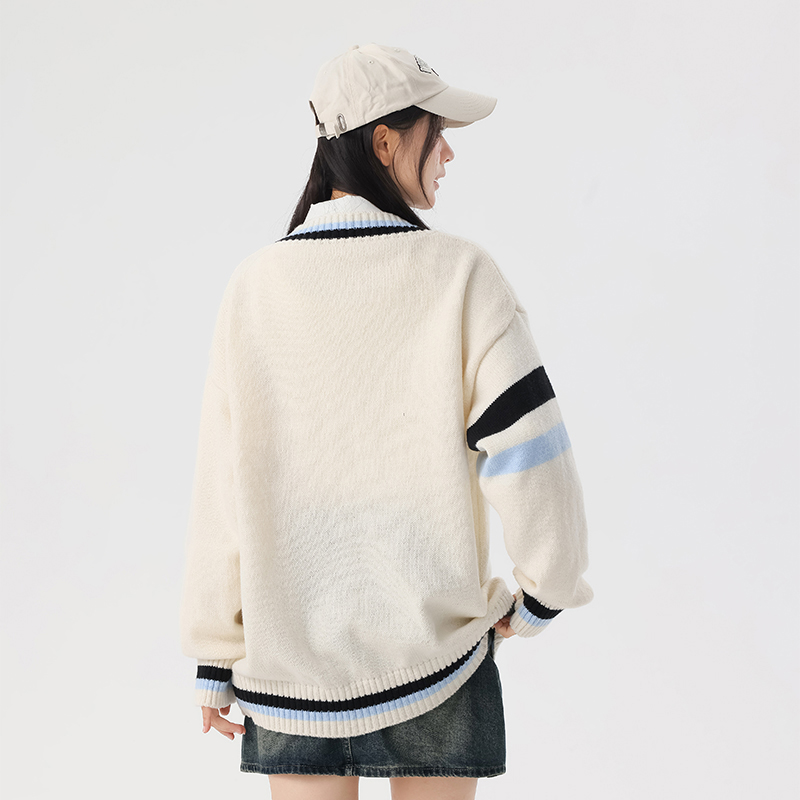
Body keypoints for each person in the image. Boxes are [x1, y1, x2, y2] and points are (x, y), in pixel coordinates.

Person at [179, 42, 594, 800]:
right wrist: (545, 589)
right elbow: (530, 451)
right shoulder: (461, 275)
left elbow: (221, 485)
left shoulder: (254, 287)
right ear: (384, 143)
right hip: (437, 662)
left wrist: (215, 654)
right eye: (438, 132)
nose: (450, 152)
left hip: (293, 671)